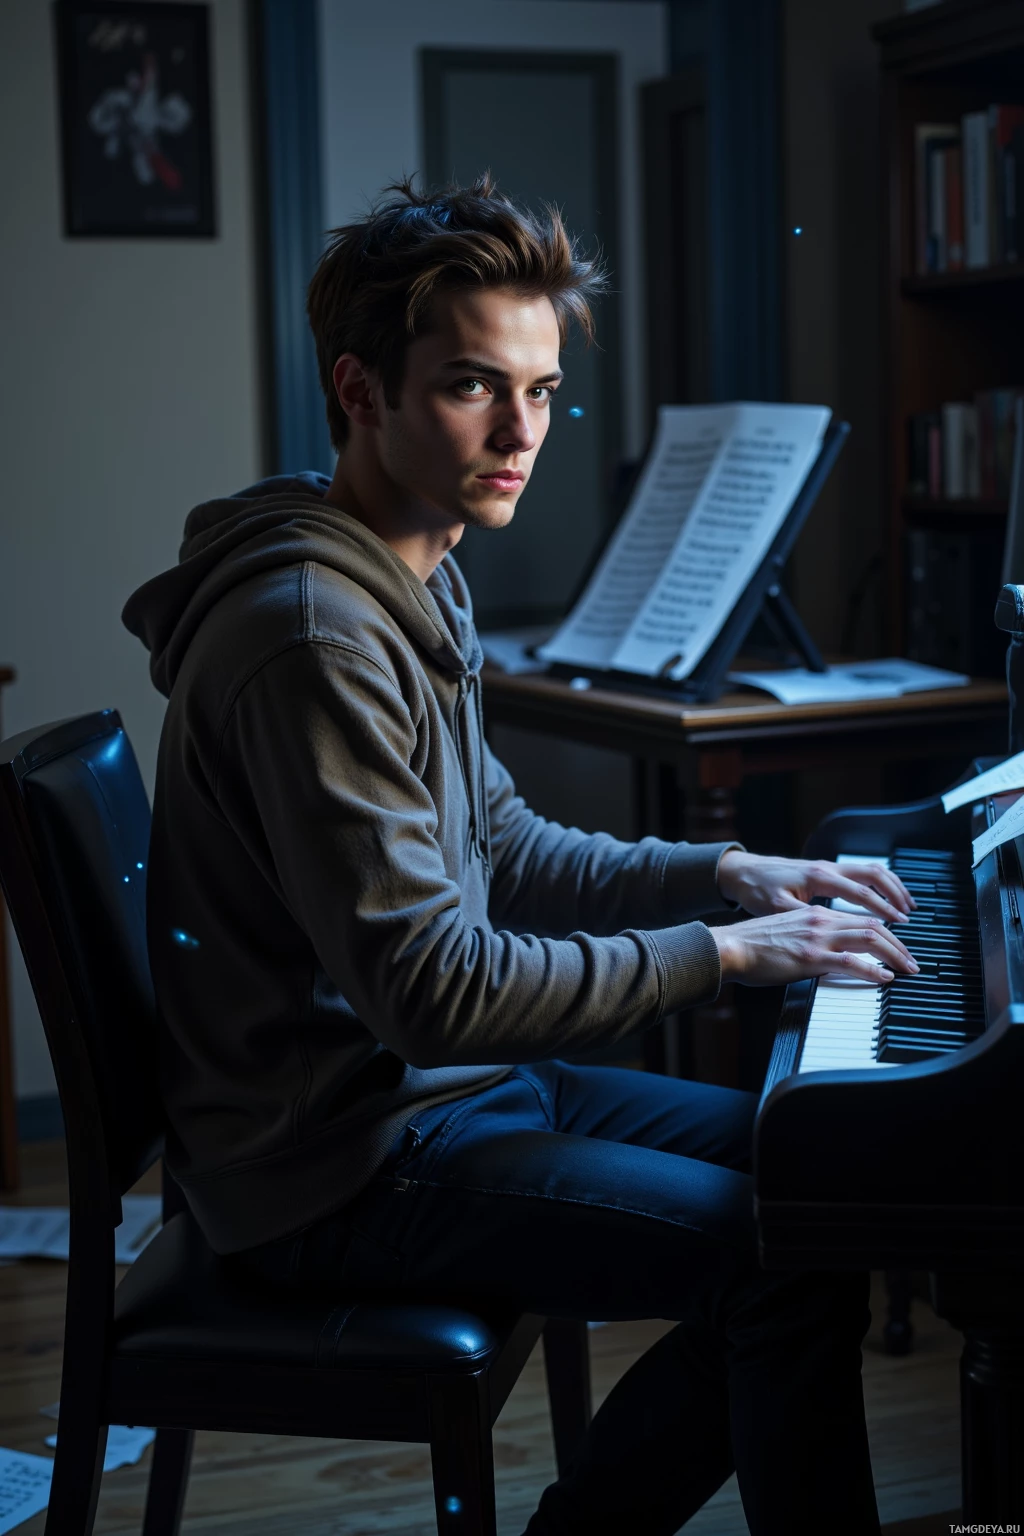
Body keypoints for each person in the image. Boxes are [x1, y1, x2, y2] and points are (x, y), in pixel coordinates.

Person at [123, 175, 919, 1535]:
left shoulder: (414, 563)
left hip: (444, 1099)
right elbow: (430, 990)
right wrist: (724, 956)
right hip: (342, 1161)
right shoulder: (317, 634)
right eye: (473, 388)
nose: (520, 434)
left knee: (830, 1182)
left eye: (543, 392)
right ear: (361, 388)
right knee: (788, 1255)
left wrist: (724, 877)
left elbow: (498, 835)